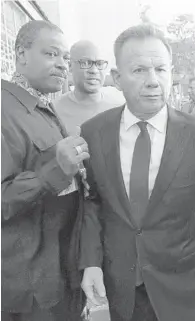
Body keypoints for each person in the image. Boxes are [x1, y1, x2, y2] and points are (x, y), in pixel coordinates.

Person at [78, 24, 195, 321]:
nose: (153, 81)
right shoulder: (94, 133)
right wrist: (91, 262)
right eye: (139, 70)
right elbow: (93, 202)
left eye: (161, 69)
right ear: (117, 78)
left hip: (182, 286)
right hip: (119, 282)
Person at [1, 20, 89, 321]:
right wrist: (57, 170)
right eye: (52, 54)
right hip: (29, 286)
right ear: (21, 54)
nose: (63, 65)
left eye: (66, 58)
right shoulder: (4, 109)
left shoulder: (42, 107)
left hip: (60, 272)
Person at [54, 40, 117, 136]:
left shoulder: (118, 108)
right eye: (86, 63)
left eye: (99, 64)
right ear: (70, 66)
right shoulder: (54, 110)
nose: (94, 71)